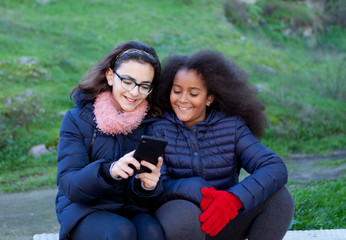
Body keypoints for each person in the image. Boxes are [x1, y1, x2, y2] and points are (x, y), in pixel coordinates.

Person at [148, 50, 294, 240]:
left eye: (193, 93)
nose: (182, 100)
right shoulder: (158, 129)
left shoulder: (232, 126)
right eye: (177, 91)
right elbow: (157, 187)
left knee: (280, 198)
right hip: (182, 221)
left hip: (224, 220)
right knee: (182, 215)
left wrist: (234, 200)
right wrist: (193, 188)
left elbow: (274, 167)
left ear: (210, 97)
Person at [55, 40, 165, 240]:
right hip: (84, 208)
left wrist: (147, 187)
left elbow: (142, 199)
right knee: (121, 231)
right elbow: (69, 185)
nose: (134, 92)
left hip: (128, 207)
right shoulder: (77, 119)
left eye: (144, 86)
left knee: (152, 232)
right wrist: (109, 171)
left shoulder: (152, 122)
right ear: (110, 76)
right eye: (128, 81)